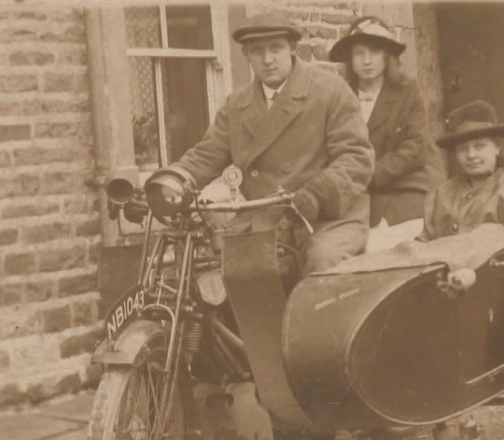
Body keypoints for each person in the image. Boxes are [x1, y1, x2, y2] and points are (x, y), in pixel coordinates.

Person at [148, 12, 374, 276]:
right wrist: (171, 182)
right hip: (265, 219)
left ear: (292, 48)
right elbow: (207, 154)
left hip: (329, 217)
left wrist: (317, 194)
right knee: (227, 278)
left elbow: (356, 157)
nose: (267, 60)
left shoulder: (329, 90)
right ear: (246, 55)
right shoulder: (237, 104)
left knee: (323, 262)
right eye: (257, 51)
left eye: (275, 48)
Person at [329, 16, 442, 229]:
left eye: (374, 52)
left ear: (387, 57)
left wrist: (370, 174)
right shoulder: (341, 97)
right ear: (350, 60)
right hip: (359, 191)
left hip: (408, 184)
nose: (367, 60)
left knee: (396, 236)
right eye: (359, 53)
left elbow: (415, 148)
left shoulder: (407, 92)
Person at [417, 100, 504, 242]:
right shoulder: (440, 195)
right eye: (463, 149)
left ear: (497, 147)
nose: (471, 155)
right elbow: (424, 246)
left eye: (480, 146)